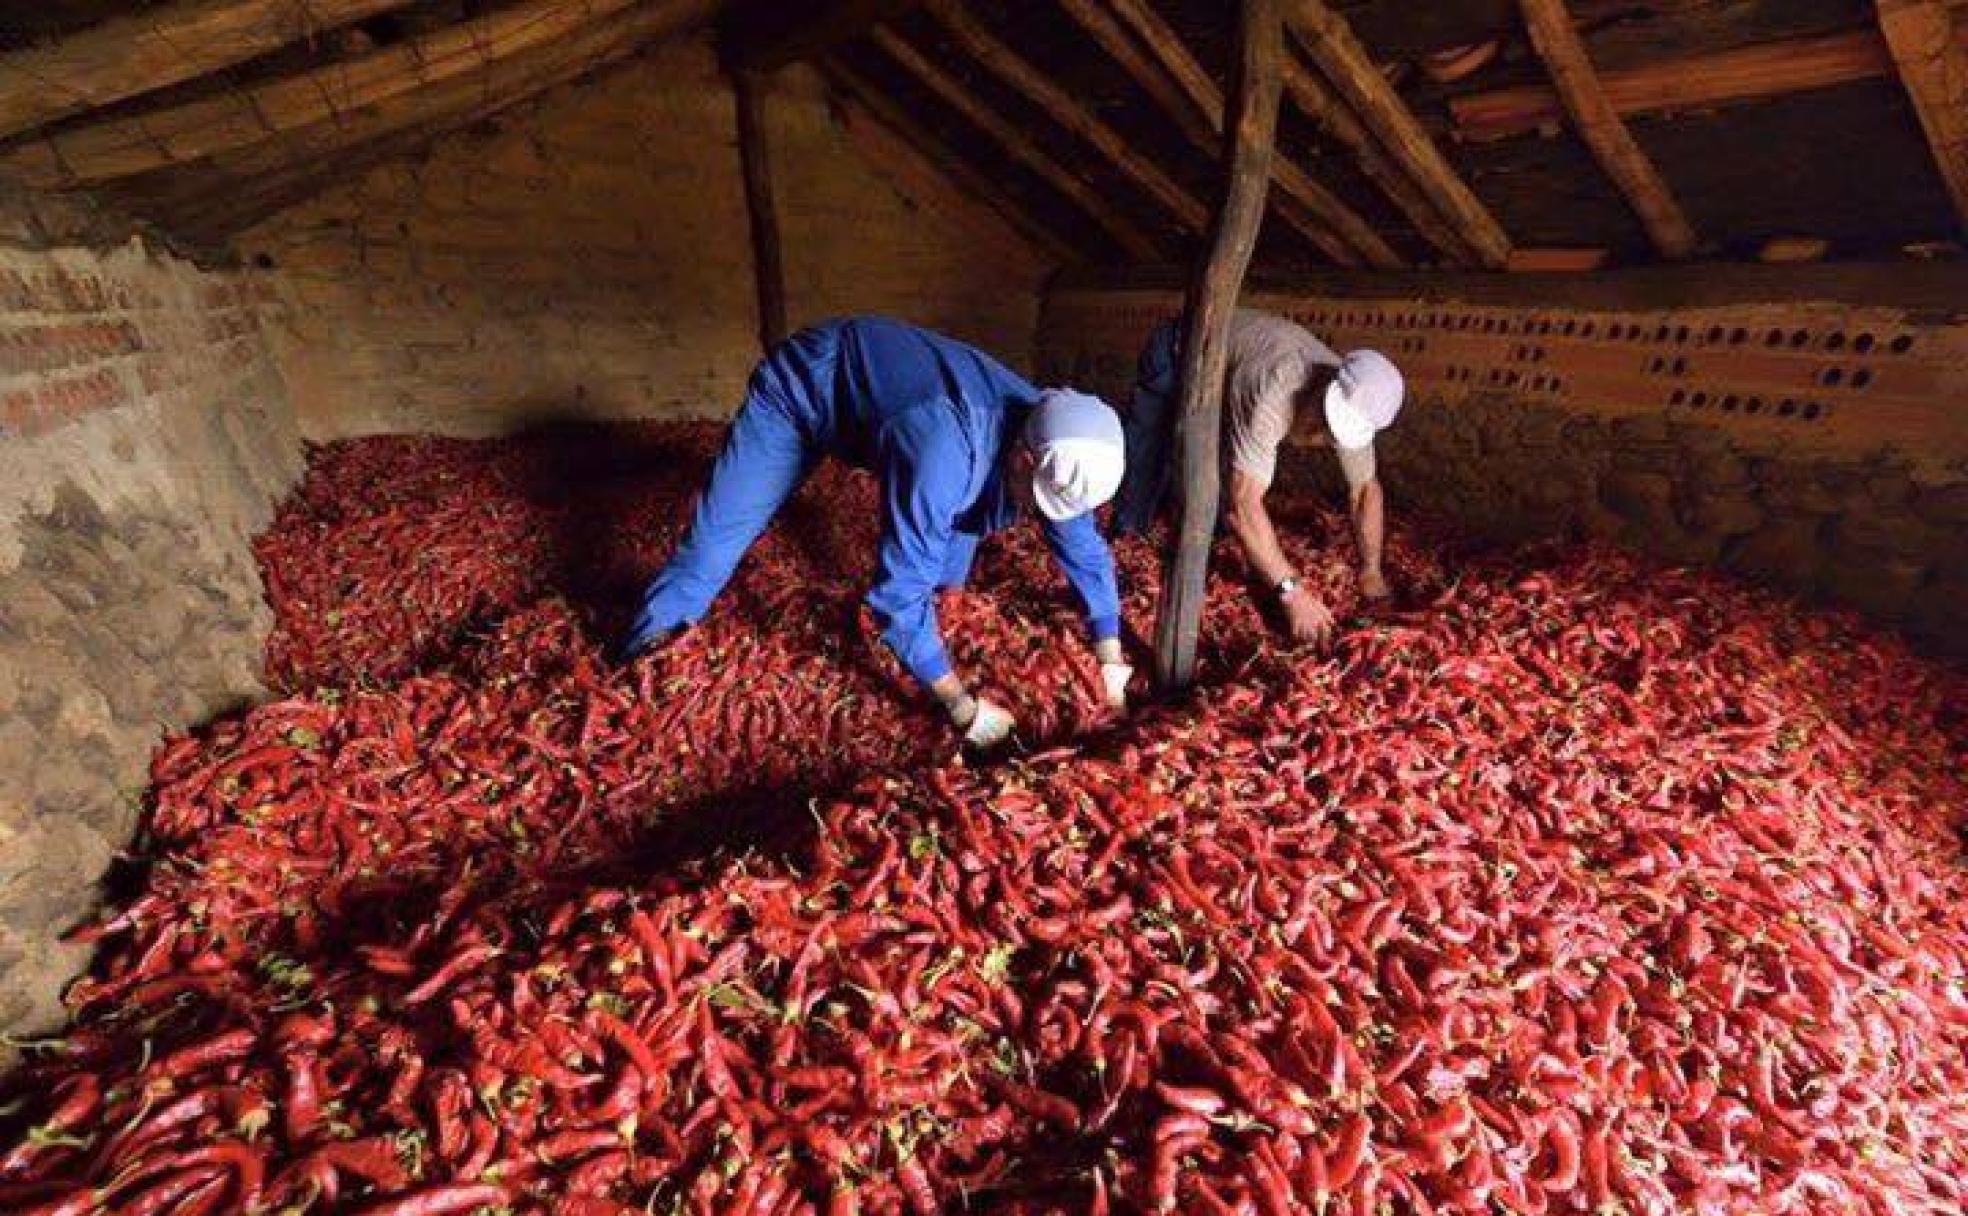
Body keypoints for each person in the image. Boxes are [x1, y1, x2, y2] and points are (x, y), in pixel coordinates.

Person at [618, 317, 1132, 749]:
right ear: (1023, 456)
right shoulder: (942, 450)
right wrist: (960, 706)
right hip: (803, 395)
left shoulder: (1056, 431)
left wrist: (1109, 654)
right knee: (718, 539)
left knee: (956, 553)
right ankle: (646, 650)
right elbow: (896, 594)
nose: (1041, 513)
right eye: (1038, 494)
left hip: (893, 404)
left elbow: (1081, 543)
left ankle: (942, 621)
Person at [1112, 308, 1403, 647]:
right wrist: (1291, 592)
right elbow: (1244, 505)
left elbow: (1365, 490)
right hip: (1179, 350)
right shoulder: (1272, 389)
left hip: (1233, 369)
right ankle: (1125, 539)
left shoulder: (1358, 401)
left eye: (1332, 434)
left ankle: (1211, 533)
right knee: (1148, 448)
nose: (1320, 437)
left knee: (1223, 464)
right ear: (1325, 389)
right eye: (1324, 423)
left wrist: (1371, 571)